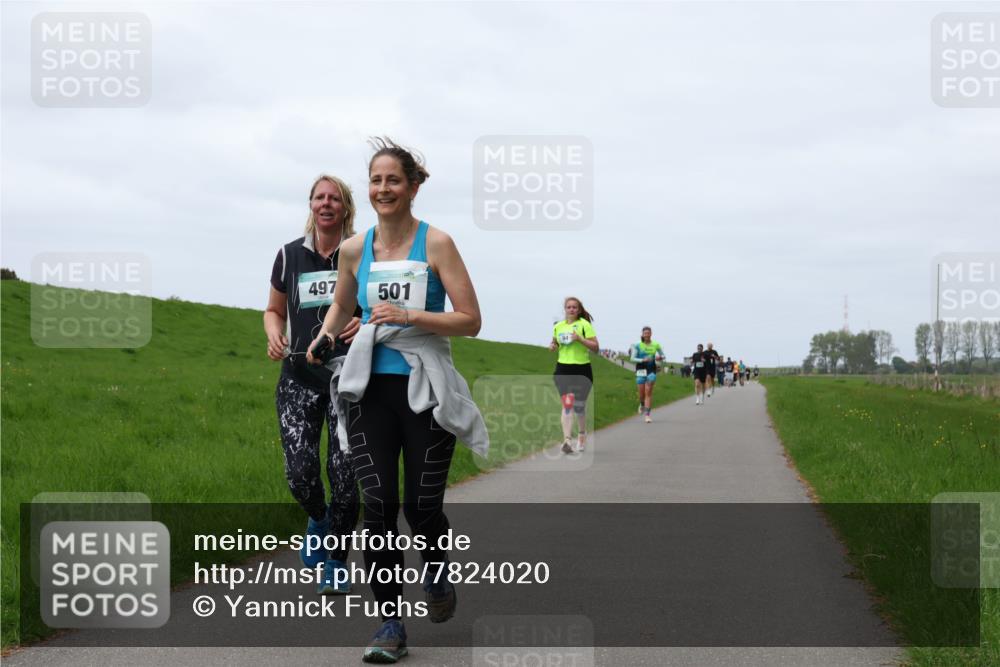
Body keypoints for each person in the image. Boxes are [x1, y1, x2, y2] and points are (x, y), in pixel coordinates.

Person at [308, 138, 483, 663]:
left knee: (422, 508)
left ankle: (437, 571)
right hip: (370, 391)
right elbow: (342, 306)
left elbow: (471, 320)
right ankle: (390, 624)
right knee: (379, 507)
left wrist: (411, 316)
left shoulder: (437, 244)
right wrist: (323, 337)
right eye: (376, 180)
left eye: (393, 180)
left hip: (425, 389)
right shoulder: (354, 249)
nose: (383, 189)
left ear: (412, 187)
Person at [263, 174, 361, 596]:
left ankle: (335, 562)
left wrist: (366, 322)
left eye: (334, 198)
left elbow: (380, 306)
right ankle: (318, 519)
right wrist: (274, 333)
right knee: (300, 473)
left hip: (350, 378)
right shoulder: (289, 256)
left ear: (345, 207)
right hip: (298, 378)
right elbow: (273, 309)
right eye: (319, 197)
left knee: (345, 477)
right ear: (310, 204)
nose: (326, 203)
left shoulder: (362, 253)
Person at [549, 297, 599, 452]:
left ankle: (582, 434)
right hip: (563, 368)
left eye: (574, 307)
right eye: (568, 307)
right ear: (565, 309)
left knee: (579, 406)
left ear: (579, 310)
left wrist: (579, 339)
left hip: (582, 369)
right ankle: (567, 441)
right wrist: (553, 345)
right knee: (567, 404)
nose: (571, 309)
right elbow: (555, 342)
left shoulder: (584, 325)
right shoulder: (558, 326)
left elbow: (596, 347)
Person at [629, 326, 665, 423]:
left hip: (651, 370)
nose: (647, 335)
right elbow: (632, 358)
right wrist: (642, 360)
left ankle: (647, 415)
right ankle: (642, 404)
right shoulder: (638, 345)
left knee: (648, 393)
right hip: (640, 370)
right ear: (642, 334)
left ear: (651, 334)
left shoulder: (656, 344)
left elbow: (663, 355)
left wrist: (660, 357)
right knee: (641, 394)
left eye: (648, 333)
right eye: (645, 333)